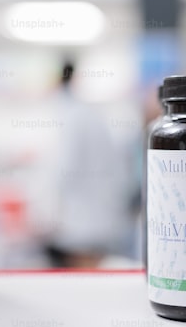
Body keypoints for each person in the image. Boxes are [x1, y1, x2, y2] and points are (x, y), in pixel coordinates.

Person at [42, 60, 134, 268]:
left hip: (82, 225)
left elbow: (65, 171)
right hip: (99, 218)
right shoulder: (88, 114)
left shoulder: (73, 116)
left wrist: (48, 213)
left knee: (86, 273)